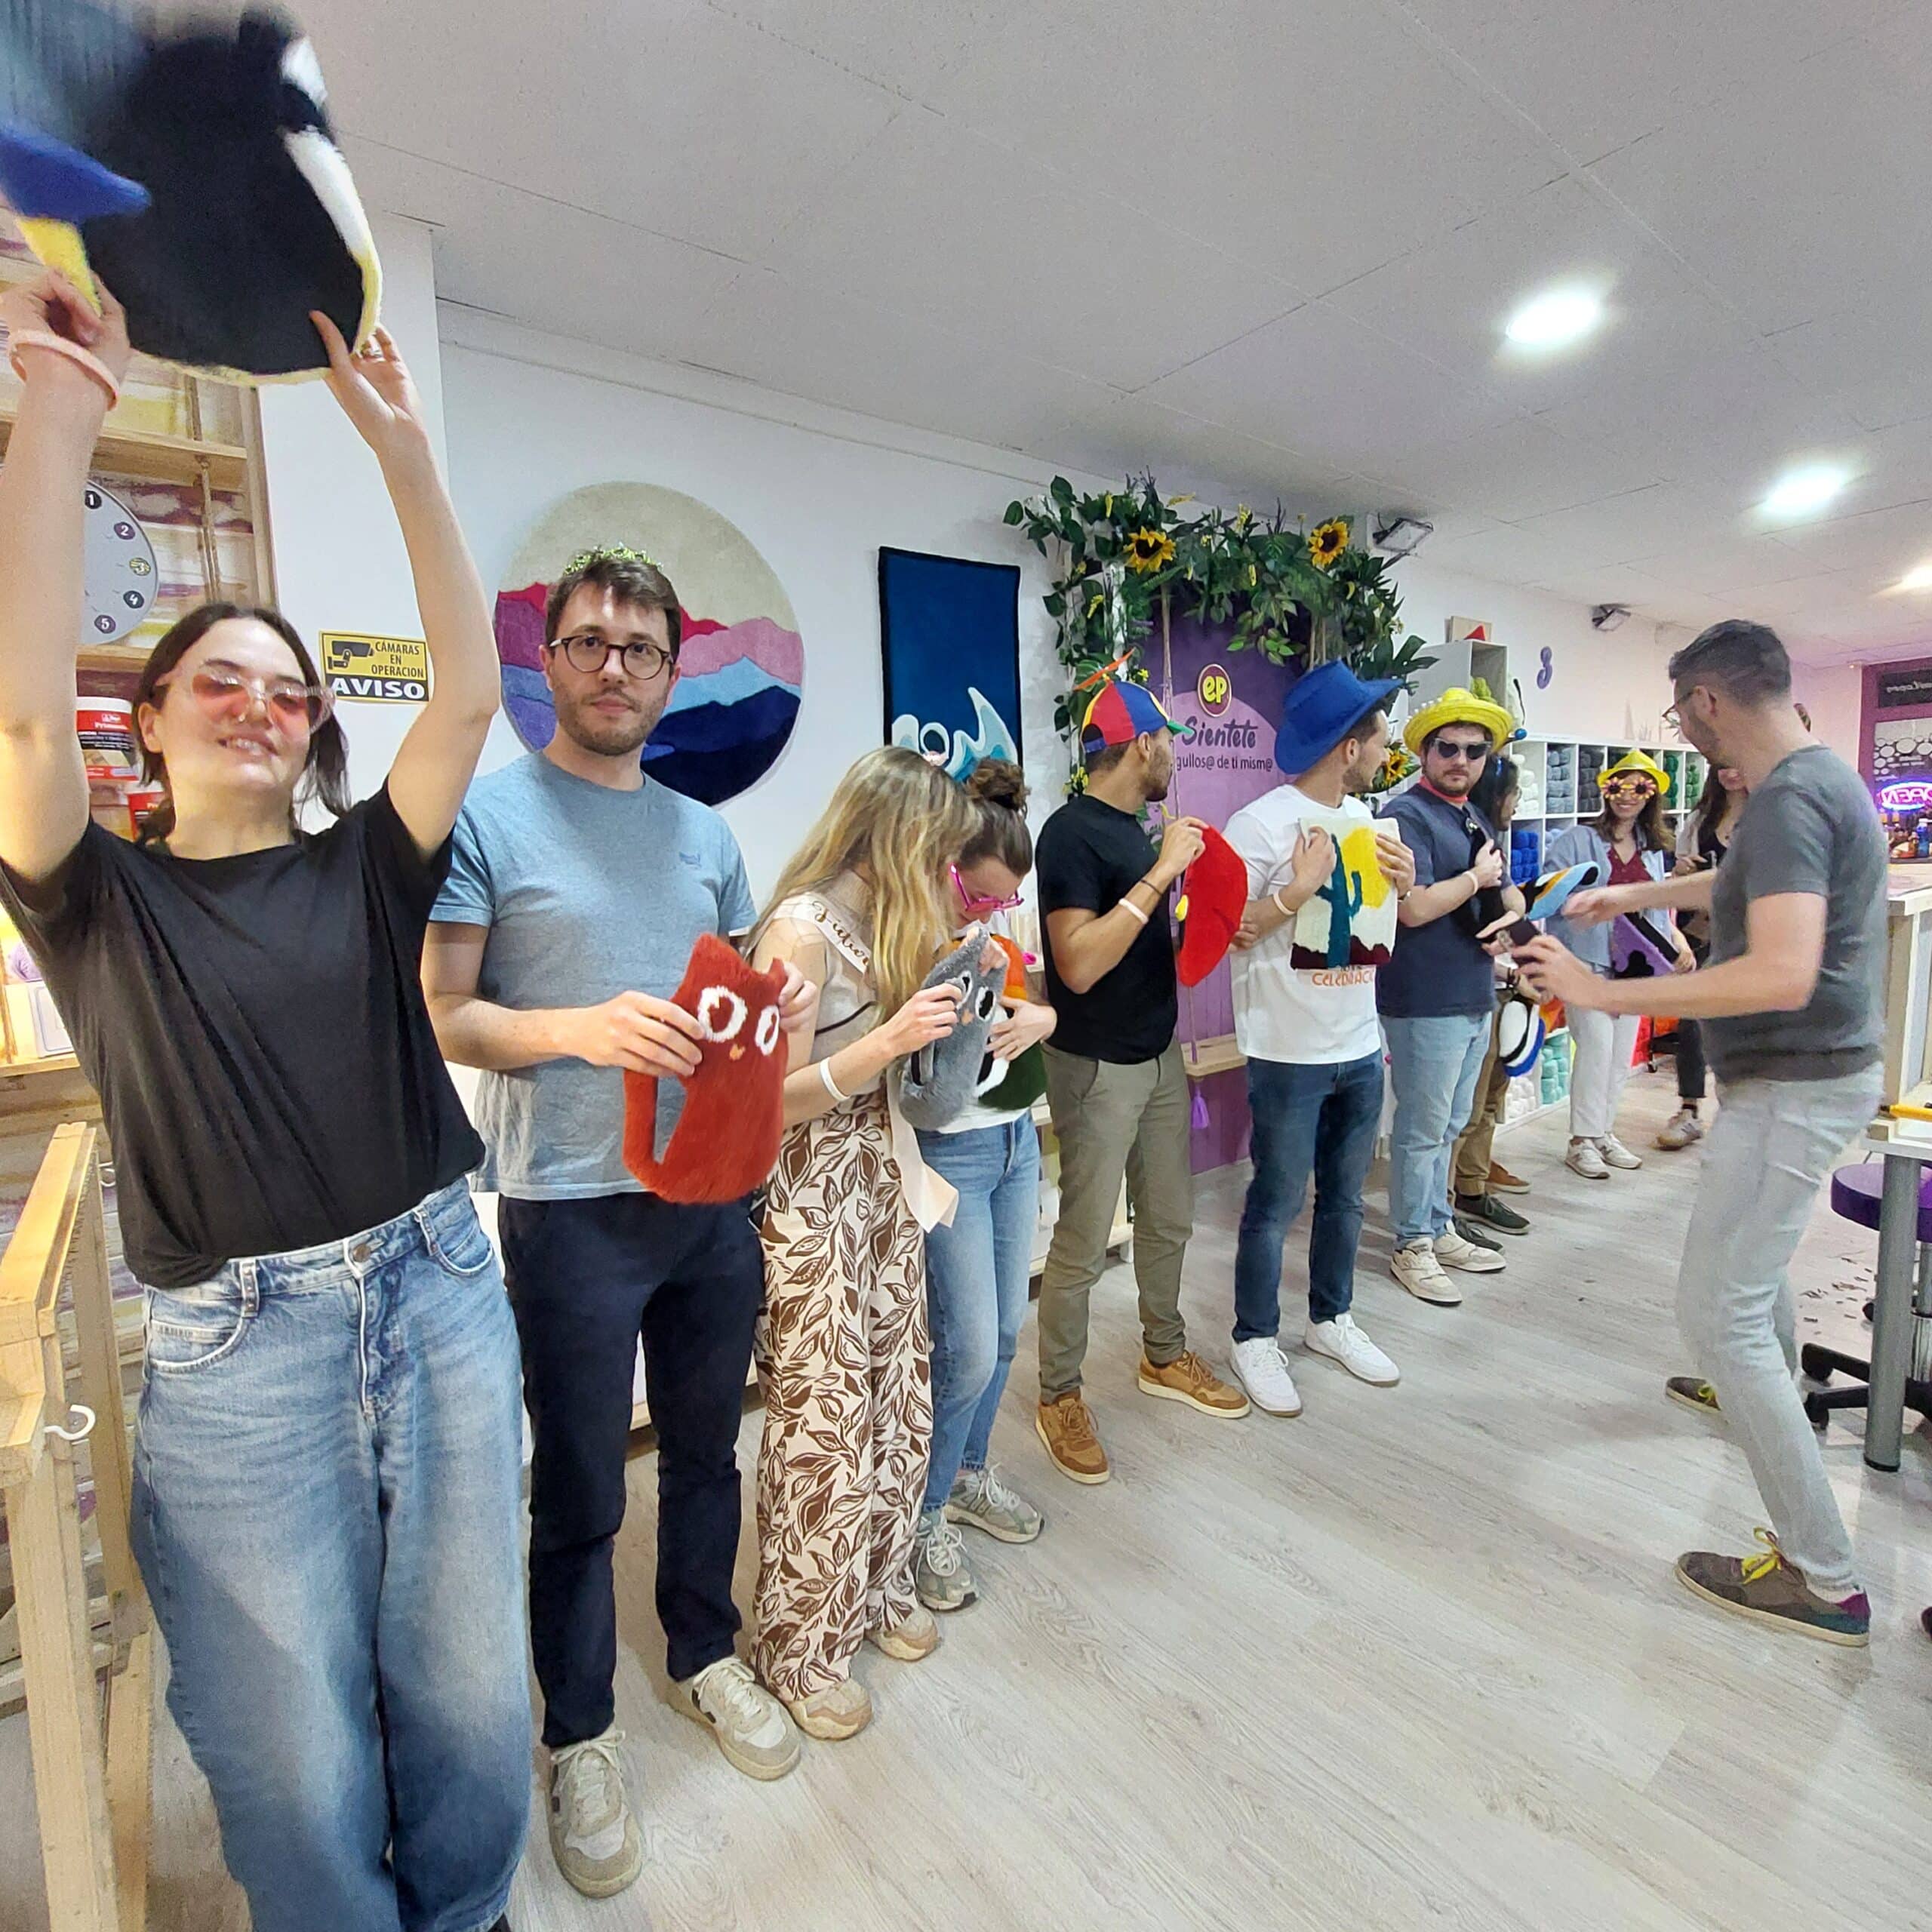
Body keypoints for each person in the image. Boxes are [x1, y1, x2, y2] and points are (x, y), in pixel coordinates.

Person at [0, 273, 527, 1932]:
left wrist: (402, 450)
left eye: (286, 689)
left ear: (310, 735)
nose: (257, 701)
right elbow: (17, 714)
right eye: (213, 680)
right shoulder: (93, 897)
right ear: (142, 725)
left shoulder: (368, 865)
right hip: (237, 1353)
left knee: (466, 1681)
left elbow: (464, 699)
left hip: (438, 1289)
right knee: (290, 1746)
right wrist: (61, 414)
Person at [423, 546, 814, 1898]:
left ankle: (703, 1652)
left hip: (712, 1200)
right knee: (583, 1485)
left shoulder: (705, 833)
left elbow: (748, 990)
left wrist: (788, 1015)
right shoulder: (488, 817)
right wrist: (577, 1030)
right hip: (571, 1207)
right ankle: (578, 1729)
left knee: (708, 1452)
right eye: (589, 642)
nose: (614, 668)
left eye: (641, 649)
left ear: (670, 670)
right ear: (550, 658)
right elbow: (447, 1013)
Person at [1518, 620, 1887, 1646]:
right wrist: (1636, 892)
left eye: (1680, 708)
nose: (1679, 725)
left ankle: (1825, 1578)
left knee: (1716, 1309)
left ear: (1709, 701)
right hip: (1803, 1084)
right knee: (1749, 1282)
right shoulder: (1818, 784)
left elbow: (1780, 969)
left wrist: (1597, 985)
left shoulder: (1787, 804)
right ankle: (1757, 1391)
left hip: (1796, 1090)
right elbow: (1748, 887)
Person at [746, 748, 980, 1740]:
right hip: (807, 1202)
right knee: (823, 1426)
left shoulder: (883, 923)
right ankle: (798, 1647)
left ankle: (875, 1594)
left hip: (879, 1186)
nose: (945, 874)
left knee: (897, 1402)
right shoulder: (797, 934)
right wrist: (885, 1044)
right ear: (896, 836)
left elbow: (906, 1083)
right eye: (937, 852)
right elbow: (762, 1105)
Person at [1032, 675, 1249, 1485]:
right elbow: (1078, 966)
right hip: (1095, 1066)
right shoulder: (1070, 835)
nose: (1175, 756)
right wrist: (1160, 875)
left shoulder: (1138, 831)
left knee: (1168, 1219)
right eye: (1169, 742)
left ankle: (1162, 1354)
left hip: (1158, 1056)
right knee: (1084, 1243)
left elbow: (1145, 937)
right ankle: (1057, 1393)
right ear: (1142, 745)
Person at [1221, 663, 1416, 1416]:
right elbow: (1232, 932)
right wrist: (1296, 890)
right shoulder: (1260, 825)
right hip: (1286, 1050)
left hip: (1358, 1042)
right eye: (1378, 734)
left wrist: (1403, 879)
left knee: (1343, 1198)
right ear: (1348, 744)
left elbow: (1387, 921)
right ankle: (1253, 1336)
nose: (1386, 744)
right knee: (1274, 1199)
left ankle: (1330, 1319)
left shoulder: (1370, 819)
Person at [909, 759, 1056, 1612]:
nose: (993, 911)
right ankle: (923, 1512)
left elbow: (1033, 1006)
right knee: (961, 1346)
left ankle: (966, 1473)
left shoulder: (998, 917)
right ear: (944, 864)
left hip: (1014, 1140)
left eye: (1004, 901)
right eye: (982, 897)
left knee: (1003, 1334)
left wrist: (1041, 1016)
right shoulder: (909, 923)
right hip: (948, 1152)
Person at [1374, 688, 1525, 1305]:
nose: (1461, 759)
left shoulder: (1473, 816)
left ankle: (1435, 1226)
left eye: (1473, 750)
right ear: (1425, 752)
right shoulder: (1405, 815)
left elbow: (1509, 891)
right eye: (1448, 748)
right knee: (1423, 1127)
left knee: (1451, 1124)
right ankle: (1412, 1241)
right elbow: (1411, 909)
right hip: (1424, 995)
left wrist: (1506, 914)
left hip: (1472, 990)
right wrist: (1477, 881)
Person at [1545, 751, 1694, 1180]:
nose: (1627, 796)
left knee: (1618, 1056)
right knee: (1594, 1049)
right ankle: (1581, 1140)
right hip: (1586, 960)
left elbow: (1658, 905)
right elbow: (1551, 894)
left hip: (1635, 966)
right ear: (1605, 790)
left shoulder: (1652, 850)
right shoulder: (1577, 839)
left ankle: (1603, 1132)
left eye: (1639, 788)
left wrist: (1676, 939)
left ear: (1652, 796)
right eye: (1618, 786)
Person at [1450, 755, 1533, 1237]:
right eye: (1514, 794)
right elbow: (1469, 932)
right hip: (1481, 987)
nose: (1516, 804)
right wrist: (1508, 969)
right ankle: (1443, 1208)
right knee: (1464, 1109)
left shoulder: (1491, 848)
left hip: (1503, 990)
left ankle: (1473, 1189)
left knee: (1487, 1103)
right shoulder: (1469, 852)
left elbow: (1511, 911)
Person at [1656, 764, 1746, 1151]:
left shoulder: (1772, 816)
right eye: (1723, 764)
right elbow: (1678, 885)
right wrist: (1680, 874)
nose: (1732, 772)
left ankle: (1740, 1117)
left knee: (1746, 1026)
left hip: (1752, 933)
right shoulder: (1699, 820)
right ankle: (1690, 1108)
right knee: (1693, 1022)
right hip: (1703, 930)